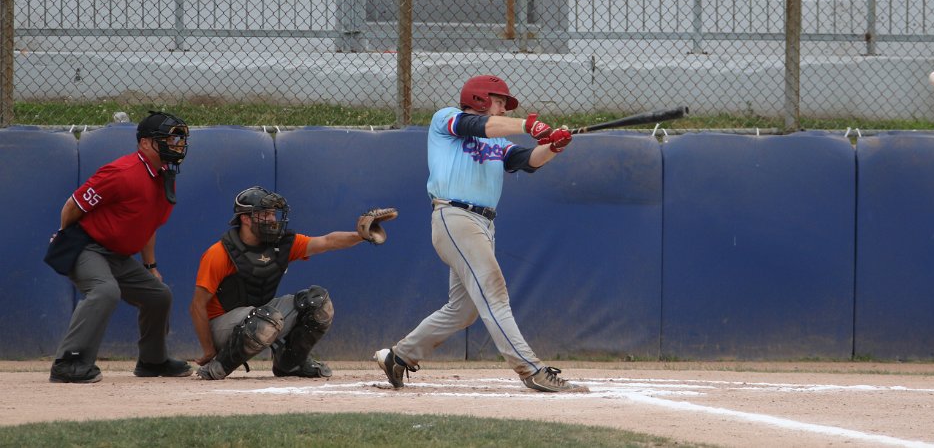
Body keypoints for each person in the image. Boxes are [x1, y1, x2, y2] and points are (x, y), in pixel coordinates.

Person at [374, 75, 589, 393]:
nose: (504, 108)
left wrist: (552, 146)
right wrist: (529, 125)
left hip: (484, 225)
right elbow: (475, 126)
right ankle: (531, 370)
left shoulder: (497, 141)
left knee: (462, 310)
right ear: (479, 99)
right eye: (499, 102)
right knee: (493, 290)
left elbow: (526, 161)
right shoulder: (446, 118)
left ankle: (399, 356)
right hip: (455, 216)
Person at [191, 187, 395, 380]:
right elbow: (197, 306)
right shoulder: (220, 253)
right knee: (265, 317)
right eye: (265, 214)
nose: (272, 219)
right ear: (245, 218)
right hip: (223, 326)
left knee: (318, 302)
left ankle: (290, 363)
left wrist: (361, 236)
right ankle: (219, 365)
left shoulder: (280, 243)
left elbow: (327, 241)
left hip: (262, 316)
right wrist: (209, 350)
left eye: (273, 213)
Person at [49, 111, 192, 383]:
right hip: (86, 246)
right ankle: (68, 363)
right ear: (145, 143)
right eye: (169, 139)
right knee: (105, 291)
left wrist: (150, 266)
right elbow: (73, 205)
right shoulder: (122, 172)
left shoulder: (163, 176)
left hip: (117, 255)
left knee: (159, 295)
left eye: (179, 140)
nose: (176, 145)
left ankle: (152, 361)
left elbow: (148, 225)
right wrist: (65, 236)